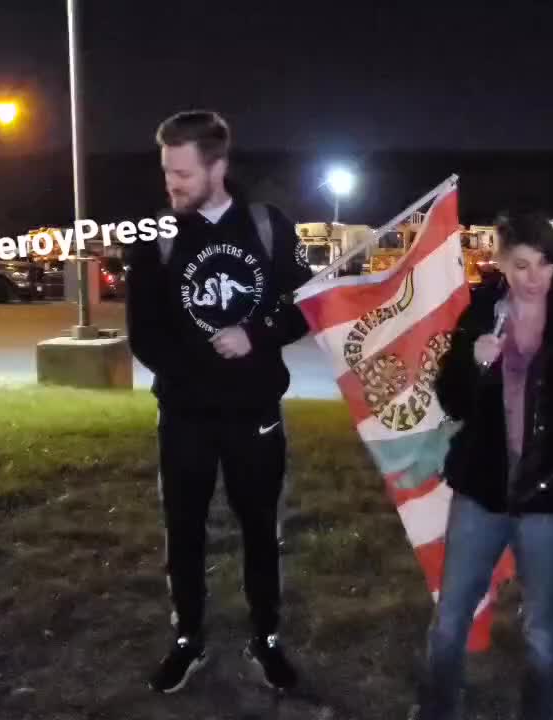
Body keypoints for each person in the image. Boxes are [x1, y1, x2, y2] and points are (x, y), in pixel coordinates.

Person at [126, 110, 315, 695]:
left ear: (218, 167)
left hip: (255, 417)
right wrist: (200, 369)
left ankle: (267, 638)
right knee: (183, 532)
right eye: (166, 172)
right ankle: (188, 640)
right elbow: (145, 335)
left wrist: (255, 335)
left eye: (182, 172)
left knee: (260, 530)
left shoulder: (266, 227)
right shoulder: (154, 237)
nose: (171, 184)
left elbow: (306, 303)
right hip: (184, 419)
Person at [415, 212, 553, 720]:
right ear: (501, 265)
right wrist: (474, 363)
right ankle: (435, 710)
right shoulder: (479, 317)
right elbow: (452, 402)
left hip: (550, 501)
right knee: (450, 615)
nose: (535, 278)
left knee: (542, 623)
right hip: (481, 493)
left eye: (545, 265)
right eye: (523, 265)